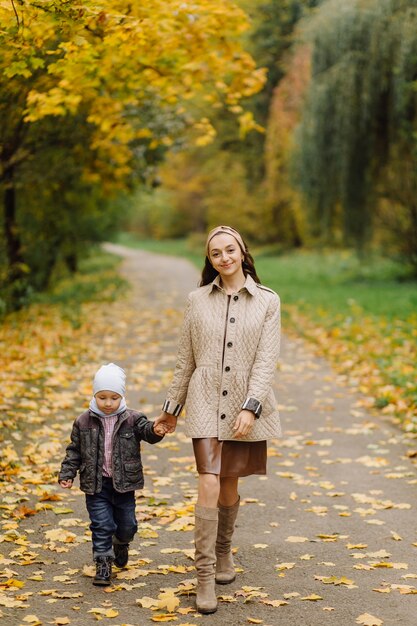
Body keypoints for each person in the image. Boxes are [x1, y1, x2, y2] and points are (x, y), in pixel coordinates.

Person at [154, 225, 281, 614]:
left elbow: (266, 360)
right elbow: (184, 361)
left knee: (228, 486)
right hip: (205, 399)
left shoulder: (268, 301)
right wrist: (171, 409)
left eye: (230, 250)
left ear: (242, 252)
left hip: (244, 404)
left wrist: (251, 405)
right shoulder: (197, 300)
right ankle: (204, 576)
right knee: (208, 481)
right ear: (209, 260)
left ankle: (224, 553)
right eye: (216, 254)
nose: (224, 258)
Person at [58, 363, 166, 586]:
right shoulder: (83, 421)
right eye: (103, 397)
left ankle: (121, 543)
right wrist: (67, 472)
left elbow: (147, 431)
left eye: (114, 397)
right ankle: (103, 564)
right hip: (96, 486)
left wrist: (156, 430)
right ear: (95, 394)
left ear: (122, 396)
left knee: (128, 526)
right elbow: (74, 451)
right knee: (101, 525)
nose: (108, 403)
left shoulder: (133, 419)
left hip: (124, 485)